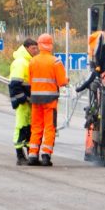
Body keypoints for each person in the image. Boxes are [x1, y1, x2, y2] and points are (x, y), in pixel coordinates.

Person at [27, 33, 68, 167]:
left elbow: (30, 80)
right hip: (50, 100)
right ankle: (45, 155)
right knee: (49, 128)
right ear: (50, 46)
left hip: (35, 100)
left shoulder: (32, 61)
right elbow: (62, 82)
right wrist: (67, 80)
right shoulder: (55, 62)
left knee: (36, 127)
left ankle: (32, 155)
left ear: (39, 45)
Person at [77, 29, 105, 160]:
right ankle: (91, 147)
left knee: (94, 112)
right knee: (96, 112)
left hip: (102, 80)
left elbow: (97, 66)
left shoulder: (97, 42)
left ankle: (90, 149)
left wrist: (83, 85)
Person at [8, 37, 39, 165]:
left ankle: (29, 154)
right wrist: (23, 99)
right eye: (33, 48)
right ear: (27, 48)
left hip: (27, 102)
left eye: (37, 48)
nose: (36, 51)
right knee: (21, 127)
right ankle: (20, 155)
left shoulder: (28, 61)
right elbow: (15, 84)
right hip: (23, 102)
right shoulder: (21, 62)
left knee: (28, 127)